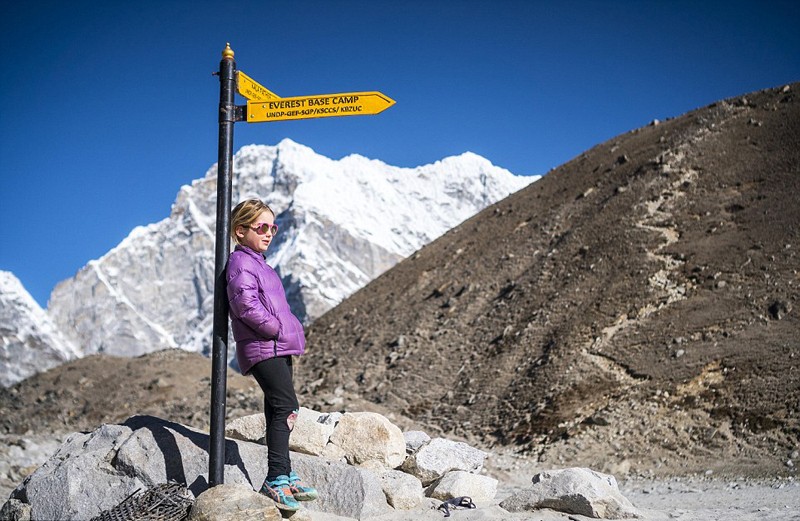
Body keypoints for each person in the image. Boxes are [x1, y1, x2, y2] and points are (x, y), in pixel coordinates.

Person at [226, 198, 318, 511]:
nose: (269, 233)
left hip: (277, 345)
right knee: (287, 408)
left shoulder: (260, 264)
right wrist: (276, 329)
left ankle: (284, 474)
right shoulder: (241, 263)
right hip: (265, 345)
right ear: (240, 231)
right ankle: (276, 479)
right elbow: (245, 306)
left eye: (272, 227)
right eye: (261, 227)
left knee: (277, 410)